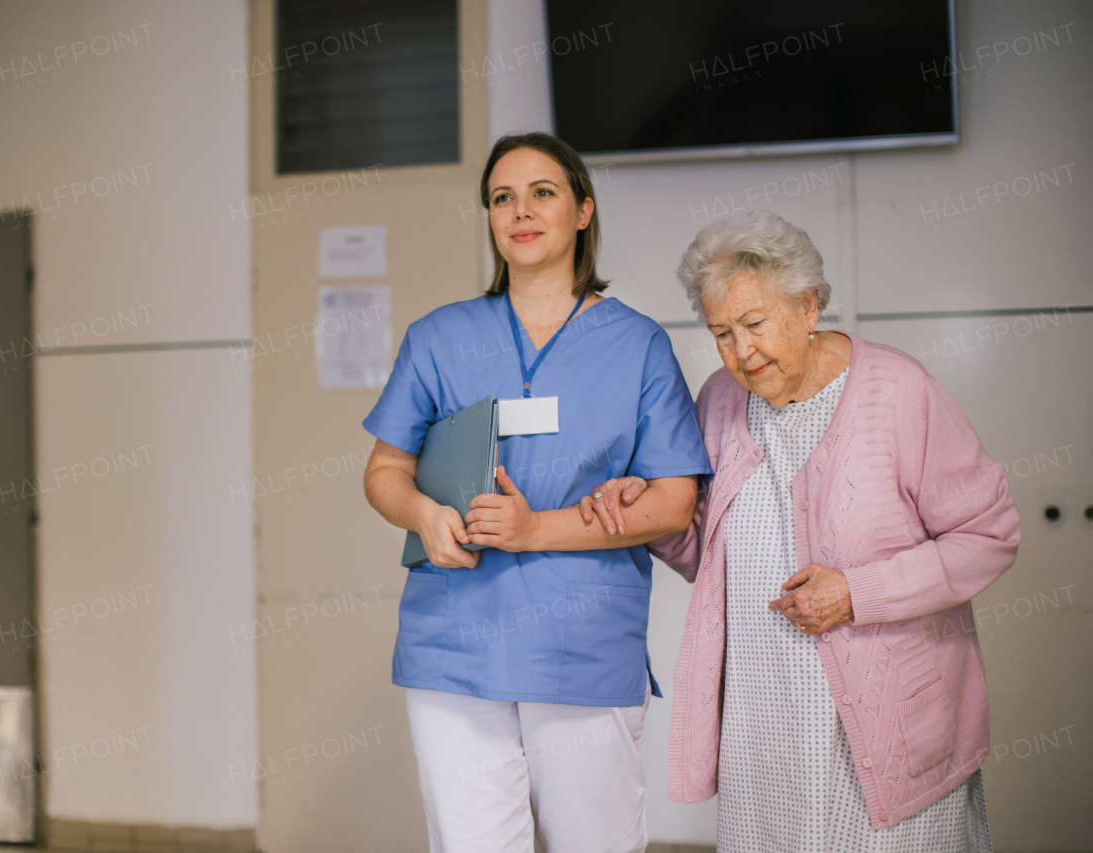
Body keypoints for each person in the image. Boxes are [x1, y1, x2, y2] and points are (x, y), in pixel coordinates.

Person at [580, 210, 1020, 851]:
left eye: (755, 324)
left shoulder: (898, 393)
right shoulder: (721, 402)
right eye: (722, 333)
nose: (741, 352)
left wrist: (857, 593)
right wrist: (651, 507)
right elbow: (705, 552)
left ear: (809, 307)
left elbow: (989, 535)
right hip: (766, 726)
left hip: (885, 724)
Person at [361, 133, 712, 853]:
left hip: (580, 643)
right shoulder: (439, 337)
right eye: (501, 197)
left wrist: (532, 530)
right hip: (453, 644)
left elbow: (674, 503)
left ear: (583, 211)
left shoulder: (637, 345)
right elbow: (384, 469)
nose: (520, 210)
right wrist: (424, 514)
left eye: (542, 192)